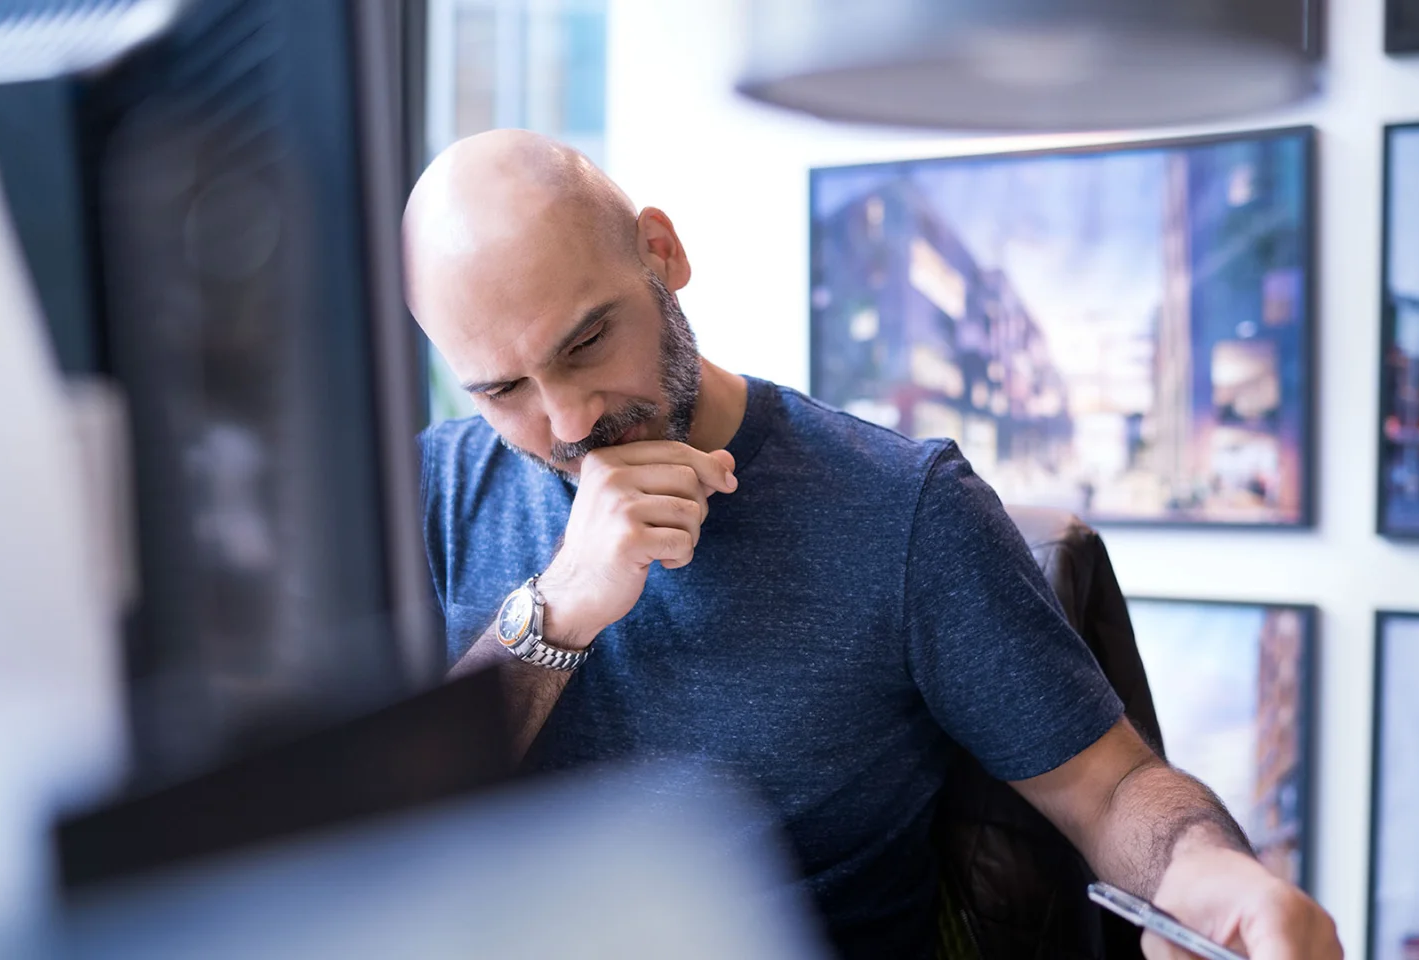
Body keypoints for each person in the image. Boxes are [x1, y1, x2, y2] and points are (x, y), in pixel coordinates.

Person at [403, 129, 1342, 960]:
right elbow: (380, 845)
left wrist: (1215, 872)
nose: (569, 419)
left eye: (587, 341)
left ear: (662, 252)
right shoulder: (432, 491)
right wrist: (557, 611)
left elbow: (1111, 787)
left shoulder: (907, 510)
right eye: (502, 391)